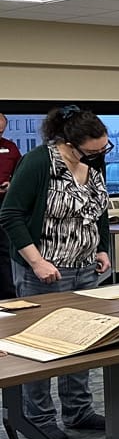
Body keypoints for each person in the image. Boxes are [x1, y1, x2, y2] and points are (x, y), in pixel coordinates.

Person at [0, 105, 112, 439]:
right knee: (43, 345)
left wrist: (102, 247)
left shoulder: (91, 164)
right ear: (68, 142)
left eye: (102, 149)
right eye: (92, 151)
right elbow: (11, 215)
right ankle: (38, 417)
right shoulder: (39, 162)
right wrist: (36, 262)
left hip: (84, 269)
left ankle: (78, 410)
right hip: (44, 271)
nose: (97, 156)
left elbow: (99, 212)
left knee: (82, 343)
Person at [0, 112, 22, 299]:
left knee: (5, 252)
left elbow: (21, 174)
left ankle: (9, 295)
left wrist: (11, 184)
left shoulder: (10, 148)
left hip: (4, 207)